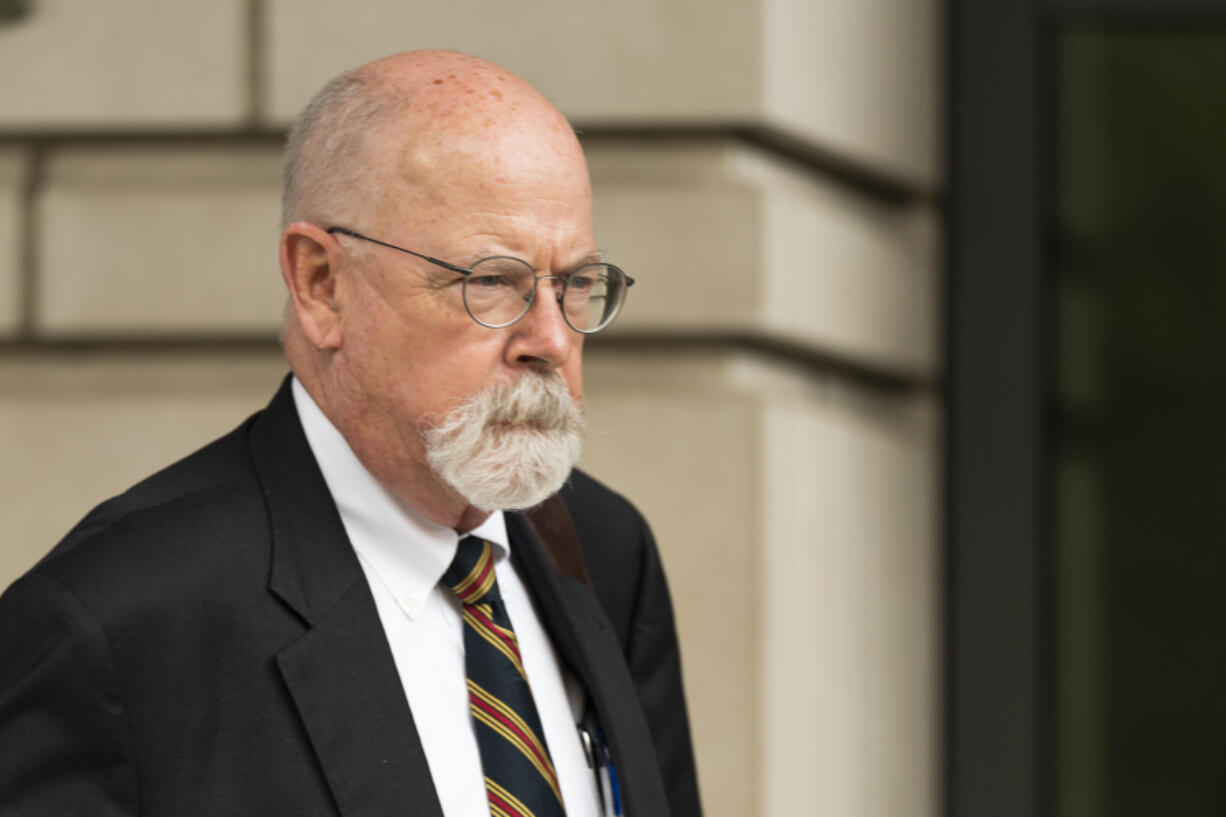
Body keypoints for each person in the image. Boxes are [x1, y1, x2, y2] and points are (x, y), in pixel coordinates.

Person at [0, 50, 701, 817]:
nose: (552, 340)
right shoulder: (118, 622)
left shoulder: (603, 548)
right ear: (321, 284)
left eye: (573, 284)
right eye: (492, 280)